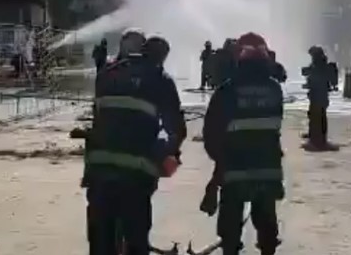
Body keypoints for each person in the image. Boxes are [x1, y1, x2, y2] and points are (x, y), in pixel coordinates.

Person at [84, 29, 186, 255]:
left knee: (100, 237)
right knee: (136, 237)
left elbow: (100, 116)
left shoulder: (106, 74)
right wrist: (169, 153)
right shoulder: (160, 79)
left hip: (99, 170)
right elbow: (177, 129)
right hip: (136, 175)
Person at [202, 32, 284, 255]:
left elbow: (211, 134)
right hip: (268, 170)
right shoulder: (275, 90)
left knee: (230, 229)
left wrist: (217, 170)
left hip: (234, 171)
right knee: (266, 224)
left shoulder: (227, 91)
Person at [302, 46, 332, 149]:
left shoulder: (320, 65)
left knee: (317, 117)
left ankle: (317, 140)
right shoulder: (319, 64)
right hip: (318, 95)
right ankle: (315, 137)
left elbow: (316, 77)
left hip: (319, 95)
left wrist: (309, 77)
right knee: (316, 116)